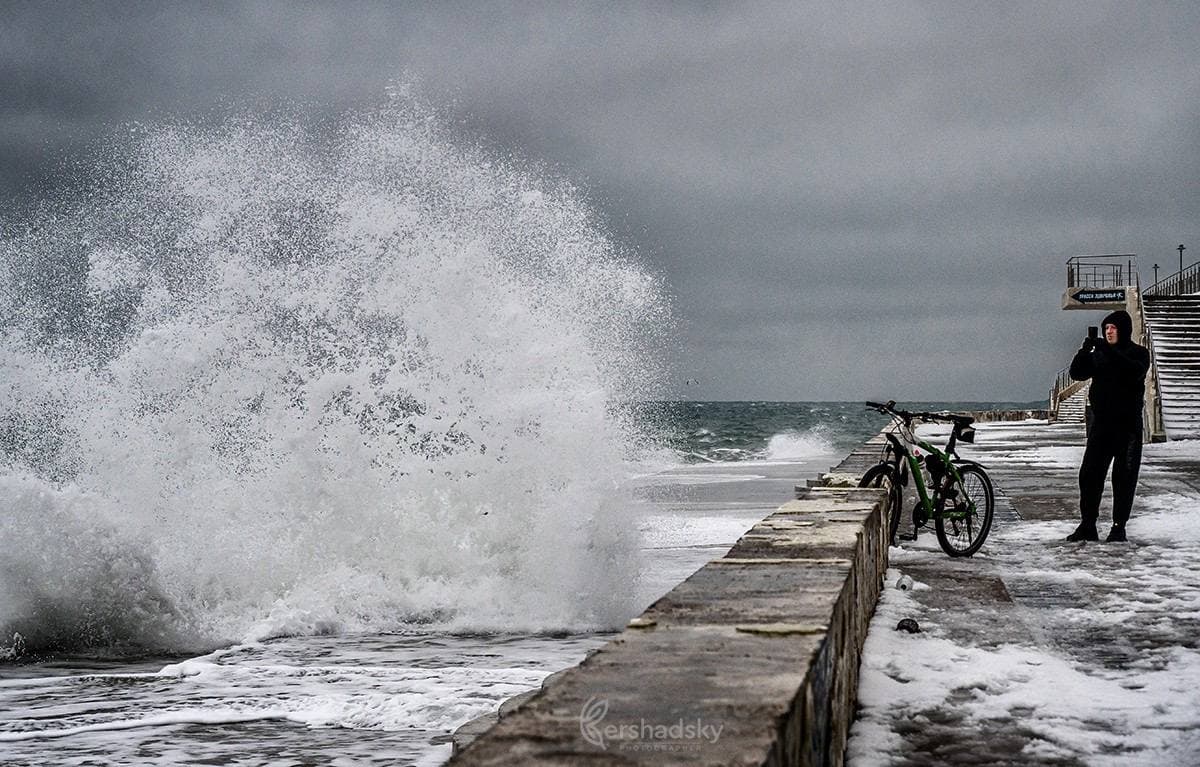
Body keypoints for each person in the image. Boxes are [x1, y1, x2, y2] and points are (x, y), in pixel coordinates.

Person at [1064, 310, 1150, 543]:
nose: (1109, 332)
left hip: (1128, 426)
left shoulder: (1139, 353)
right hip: (1102, 425)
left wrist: (1108, 351)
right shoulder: (1100, 355)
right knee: (1089, 474)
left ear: (1124, 330)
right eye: (1106, 328)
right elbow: (1077, 373)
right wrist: (1085, 350)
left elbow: (1133, 371)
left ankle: (1118, 527)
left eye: (1113, 328)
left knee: (1124, 478)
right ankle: (1088, 525)